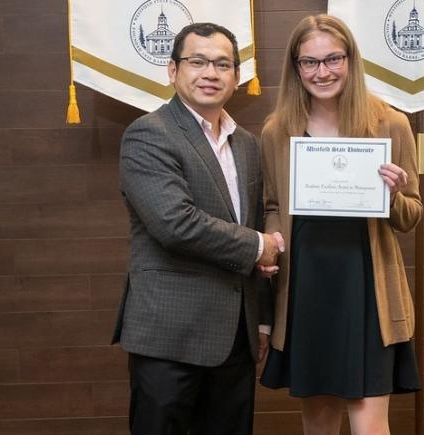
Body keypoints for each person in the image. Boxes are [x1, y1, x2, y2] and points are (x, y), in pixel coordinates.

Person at [111, 22, 284, 435]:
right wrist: (259, 245)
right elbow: (175, 224)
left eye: (223, 64)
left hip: (236, 340)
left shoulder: (246, 143)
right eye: (198, 61)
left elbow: (254, 221)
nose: (211, 73)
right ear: (172, 70)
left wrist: (261, 320)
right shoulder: (149, 134)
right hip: (170, 337)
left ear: (237, 77)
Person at [258, 14, 422, 435]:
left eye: (333, 59)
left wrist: (392, 196)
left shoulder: (390, 123)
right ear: (296, 68)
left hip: (367, 288)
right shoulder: (278, 131)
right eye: (309, 62)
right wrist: (274, 239)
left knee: (370, 426)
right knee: (318, 422)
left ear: (351, 60)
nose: (322, 72)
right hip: (306, 287)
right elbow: (273, 203)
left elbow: (412, 215)